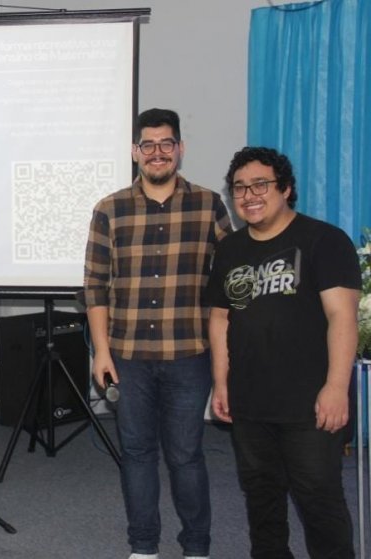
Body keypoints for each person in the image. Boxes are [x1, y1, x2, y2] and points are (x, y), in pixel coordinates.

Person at [83, 108, 232, 559]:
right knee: (137, 452)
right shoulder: (109, 209)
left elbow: (229, 282)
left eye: (166, 143)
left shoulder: (209, 205)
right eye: (147, 144)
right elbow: (95, 286)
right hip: (127, 356)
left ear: (180, 149)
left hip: (189, 354)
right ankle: (144, 546)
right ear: (135, 152)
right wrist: (101, 352)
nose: (157, 152)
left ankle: (196, 546)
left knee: (186, 454)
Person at [208, 147, 359, 558]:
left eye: (261, 184)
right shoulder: (230, 250)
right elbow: (220, 318)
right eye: (240, 187)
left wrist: (336, 387)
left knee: (319, 501)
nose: (249, 195)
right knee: (261, 499)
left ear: (286, 188)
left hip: (310, 402)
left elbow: (342, 317)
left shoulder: (324, 240)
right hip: (250, 400)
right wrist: (221, 382)